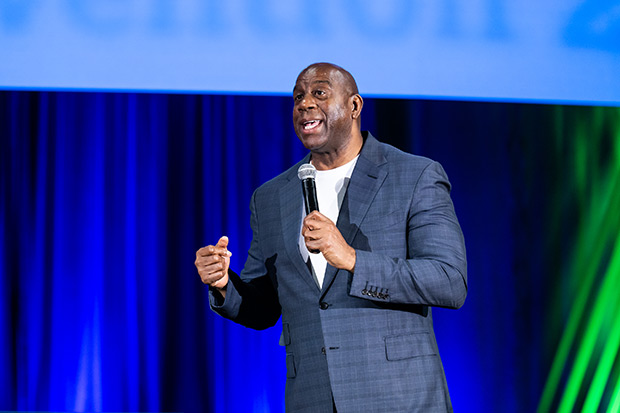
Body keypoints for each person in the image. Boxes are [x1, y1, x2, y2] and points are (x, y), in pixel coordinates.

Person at [195, 63, 467, 412]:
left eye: (319, 93)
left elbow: (449, 281)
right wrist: (222, 284)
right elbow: (262, 307)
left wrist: (352, 259)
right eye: (298, 97)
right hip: (312, 398)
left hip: (400, 397)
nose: (305, 104)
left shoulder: (414, 176)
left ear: (354, 106)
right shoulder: (271, 196)